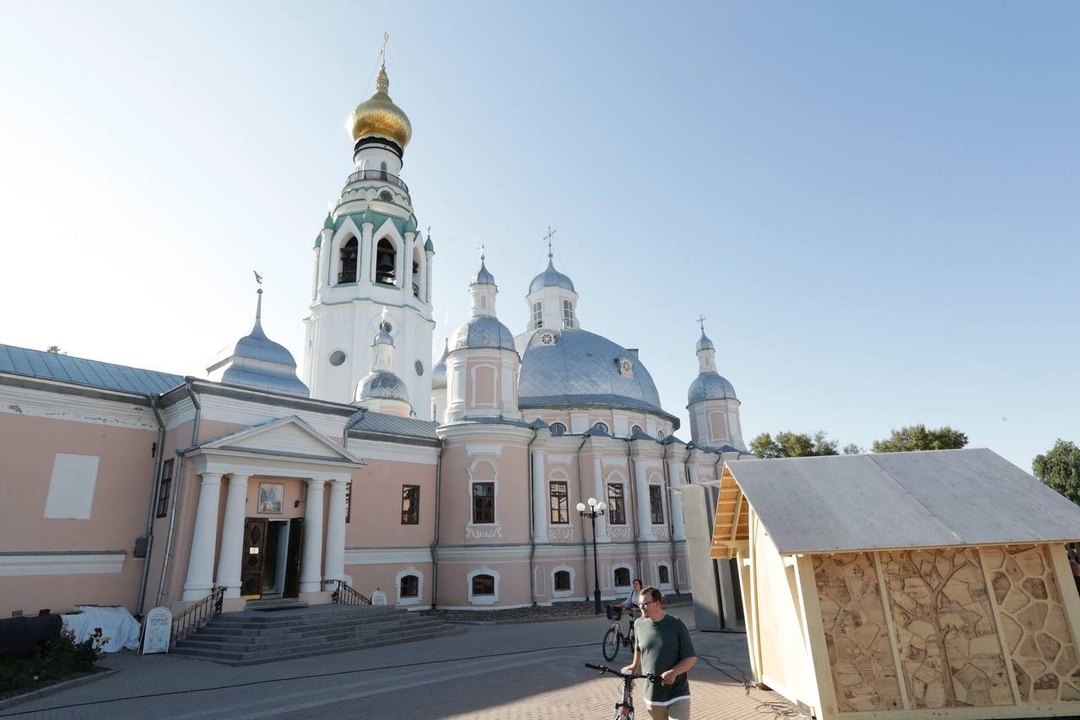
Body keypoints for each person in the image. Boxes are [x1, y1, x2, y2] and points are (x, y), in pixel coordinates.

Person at [622, 585, 697, 720]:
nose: (641, 607)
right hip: (653, 694)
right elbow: (638, 648)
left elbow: (690, 658)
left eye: (645, 604)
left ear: (657, 603)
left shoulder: (675, 624)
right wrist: (634, 666)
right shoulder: (638, 624)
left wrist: (673, 672)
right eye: (639, 604)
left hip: (677, 693)